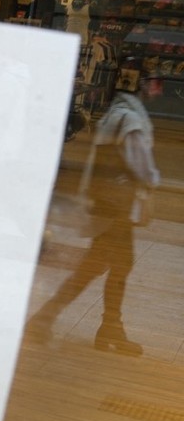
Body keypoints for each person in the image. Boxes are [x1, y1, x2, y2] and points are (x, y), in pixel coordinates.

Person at [28, 79, 161, 355]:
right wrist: (153, 181)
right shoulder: (131, 120)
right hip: (117, 208)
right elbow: (142, 166)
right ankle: (56, 321)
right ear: (137, 88)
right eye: (151, 84)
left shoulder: (114, 114)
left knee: (110, 268)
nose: (156, 90)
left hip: (106, 205)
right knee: (104, 269)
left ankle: (103, 326)